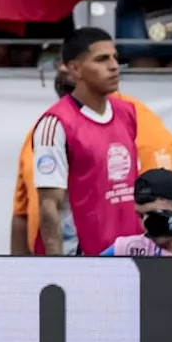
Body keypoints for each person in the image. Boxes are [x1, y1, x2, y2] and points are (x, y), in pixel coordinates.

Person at [10, 50, 172, 254]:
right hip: (53, 269)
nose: (64, 68)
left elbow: (163, 209)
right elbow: (21, 216)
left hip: (126, 266)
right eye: (62, 62)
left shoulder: (139, 121)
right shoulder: (48, 128)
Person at [32, 28, 144, 256]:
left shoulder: (128, 113)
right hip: (83, 261)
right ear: (74, 69)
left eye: (115, 57)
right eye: (102, 59)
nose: (114, 66)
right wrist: (57, 268)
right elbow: (49, 206)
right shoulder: (55, 123)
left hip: (128, 256)